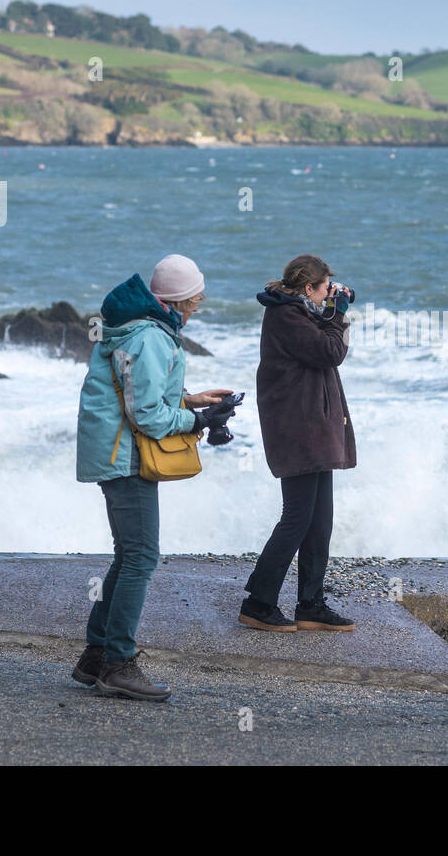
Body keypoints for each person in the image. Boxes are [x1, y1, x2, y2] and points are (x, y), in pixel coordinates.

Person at [73, 254, 238, 700]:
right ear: (180, 298)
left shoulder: (142, 328)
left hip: (116, 450)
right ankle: (118, 664)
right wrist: (198, 421)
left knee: (128, 555)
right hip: (124, 455)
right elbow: (145, 414)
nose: (200, 304)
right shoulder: (150, 336)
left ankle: (97, 656)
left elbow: (139, 393)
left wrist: (191, 399)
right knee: (141, 556)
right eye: (196, 297)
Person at [240, 254, 357, 632]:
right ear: (308, 288)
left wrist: (333, 309)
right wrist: (339, 313)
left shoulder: (299, 310)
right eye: (325, 288)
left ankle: (311, 603)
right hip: (298, 430)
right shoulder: (286, 316)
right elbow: (330, 351)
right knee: (297, 518)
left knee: (319, 521)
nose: (328, 295)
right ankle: (258, 602)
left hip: (313, 428)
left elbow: (321, 338)